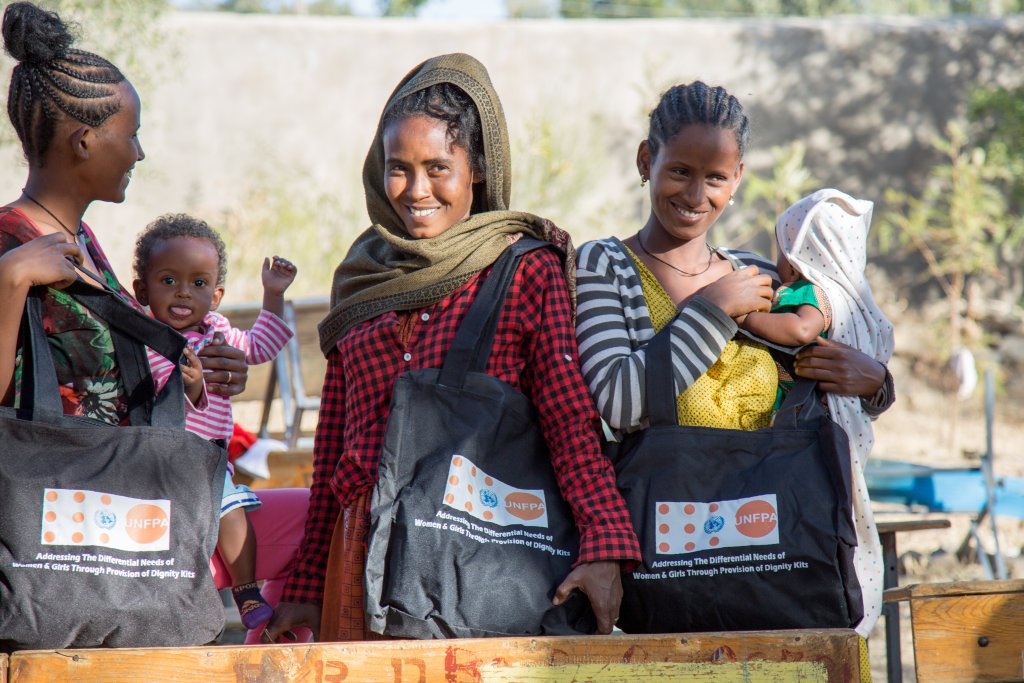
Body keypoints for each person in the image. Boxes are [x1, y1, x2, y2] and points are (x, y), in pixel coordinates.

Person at [265, 53, 641, 643]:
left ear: (478, 171)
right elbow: (334, 448)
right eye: (398, 168)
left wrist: (604, 543)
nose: (416, 191)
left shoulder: (522, 269)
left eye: (438, 167)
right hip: (360, 557)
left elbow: (569, 417)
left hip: (478, 558)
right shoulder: (362, 280)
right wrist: (309, 587)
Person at [575, 82, 894, 678]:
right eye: (679, 171)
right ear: (647, 162)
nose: (696, 195)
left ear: (738, 178)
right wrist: (711, 312)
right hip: (663, 558)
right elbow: (615, 399)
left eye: (715, 178)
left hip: (770, 556)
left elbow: (817, 391)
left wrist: (875, 381)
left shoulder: (756, 275)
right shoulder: (604, 265)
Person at [0, 1, 251, 424]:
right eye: (131, 135)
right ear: (84, 143)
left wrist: (202, 374)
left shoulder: (81, 239)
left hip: (100, 481)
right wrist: (11, 278)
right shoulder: (9, 241)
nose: (139, 152)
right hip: (51, 484)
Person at [131, 213, 298, 632]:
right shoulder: (143, 338)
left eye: (199, 283)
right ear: (142, 289)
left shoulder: (217, 332)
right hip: (159, 461)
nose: (184, 292)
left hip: (209, 460)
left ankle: (244, 590)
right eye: (168, 281)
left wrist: (273, 294)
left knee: (232, 512)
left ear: (217, 295)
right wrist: (185, 389)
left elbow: (261, 346)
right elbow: (140, 394)